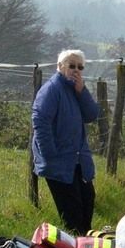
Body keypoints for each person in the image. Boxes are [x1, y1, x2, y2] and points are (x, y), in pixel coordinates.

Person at [31, 49, 101, 234]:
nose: (76, 70)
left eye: (80, 67)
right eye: (71, 66)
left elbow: (92, 114)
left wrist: (82, 92)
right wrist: (50, 155)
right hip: (59, 164)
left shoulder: (76, 90)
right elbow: (40, 120)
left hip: (79, 161)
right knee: (73, 218)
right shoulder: (52, 89)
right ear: (60, 66)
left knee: (87, 204)